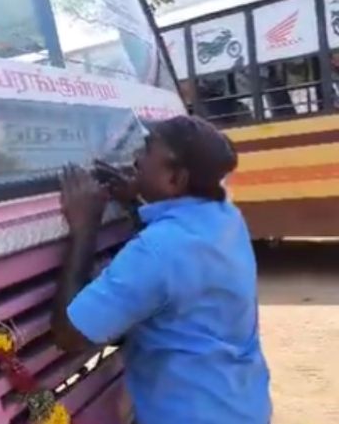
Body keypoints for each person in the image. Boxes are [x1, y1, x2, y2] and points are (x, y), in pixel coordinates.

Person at [51, 115, 271, 424]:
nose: (136, 160)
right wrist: (137, 198)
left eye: (146, 150)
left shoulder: (157, 251)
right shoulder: (225, 216)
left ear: (175, 179)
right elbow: (178, 258)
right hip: (242, 406)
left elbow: (70, 335)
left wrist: (85, 228)